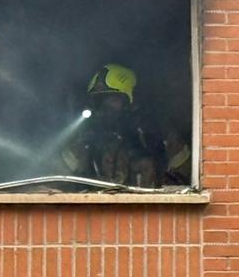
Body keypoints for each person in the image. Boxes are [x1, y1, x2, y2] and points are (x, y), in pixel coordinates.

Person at [60, 62, 188, 188]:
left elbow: (187, 177)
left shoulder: (158, 135)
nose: (104, 108)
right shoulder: (85, 139)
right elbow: (56, 176)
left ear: (132, 102)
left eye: (113, 99)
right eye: (98, 101)